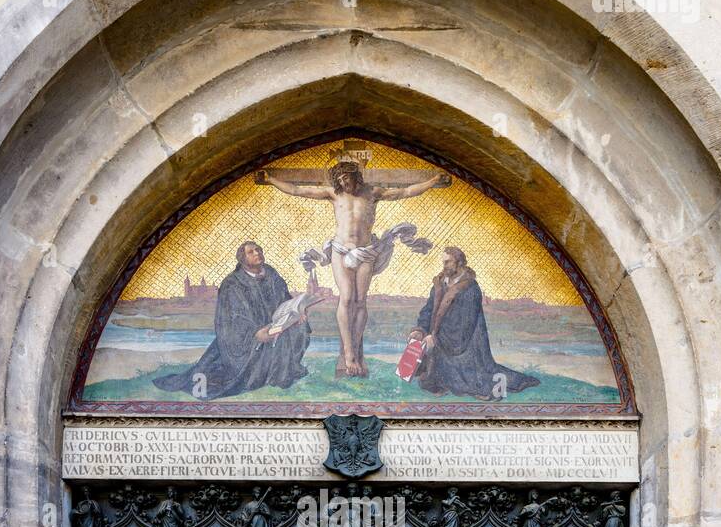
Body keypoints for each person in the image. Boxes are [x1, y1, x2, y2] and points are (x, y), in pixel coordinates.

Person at [258, 161, 447, 376]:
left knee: (360, 300)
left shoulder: (372, 192)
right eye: (339, 180)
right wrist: (271, 179)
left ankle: (356, 349)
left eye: (345, 178)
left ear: (354, 175)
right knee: (346, 298)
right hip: (341, 251)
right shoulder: (334, 194)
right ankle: (348, 353)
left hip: (365, 251)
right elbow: (297, 190)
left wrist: (433, 181)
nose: (343, 183)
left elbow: (405, 191)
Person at [153, 242, 309, 399]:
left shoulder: (271, 273)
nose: (257, 253)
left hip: (275, 325)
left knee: (301, 328)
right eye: (251, 252)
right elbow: (233, 319)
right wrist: (255, 333)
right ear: (242, 258)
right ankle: (264, 376)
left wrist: (298, 311)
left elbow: (285, 299)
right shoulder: (232, 284)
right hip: (244, 337)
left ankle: (284, 372)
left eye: (258, 250)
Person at [411, 248, 540, 400]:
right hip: (439, 340)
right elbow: (428, 309)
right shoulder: (439, 284)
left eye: (448, 262)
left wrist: (435, 338)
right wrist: (420, 330)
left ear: (459, 263)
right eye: (443, 262)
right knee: (429, 377)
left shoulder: (470, 289)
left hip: (467, 347)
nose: (444, 265)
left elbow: (465, 325)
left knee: (473, 383)